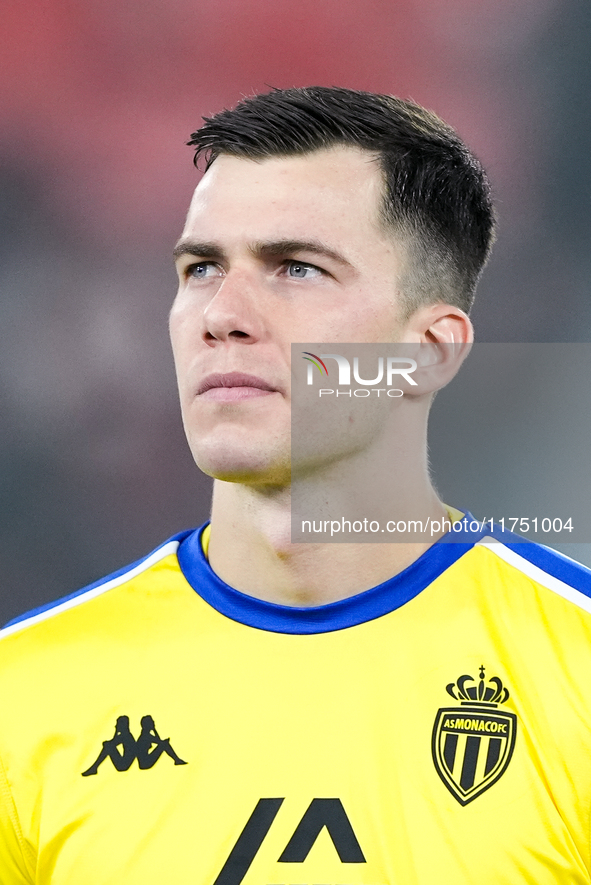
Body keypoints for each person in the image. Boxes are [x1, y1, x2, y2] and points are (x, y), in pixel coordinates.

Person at [0, 86, 590, 885]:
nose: (221, 314)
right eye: (200, 267)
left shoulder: (571, 666)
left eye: (296, 268)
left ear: (429, 350)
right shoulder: (24, 694)